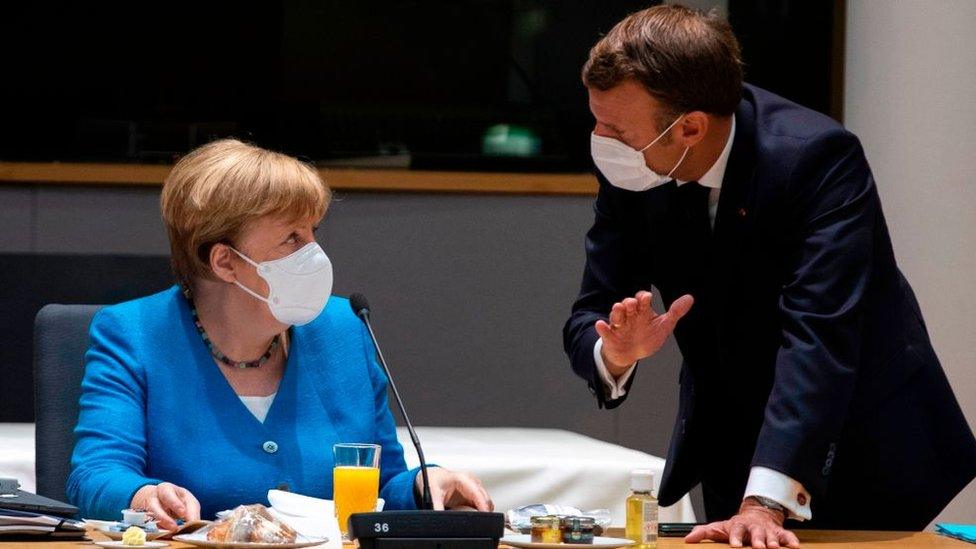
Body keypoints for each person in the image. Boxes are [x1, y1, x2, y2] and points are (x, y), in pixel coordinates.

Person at [562, 5, 976, 547]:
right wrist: (617, 351)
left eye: (615, 127)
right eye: (597, 119)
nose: (600, 139)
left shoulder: (817, 159)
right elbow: (590, 311)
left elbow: (819, 334)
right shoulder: (636, 161)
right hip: (736, 433)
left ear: (688, 128)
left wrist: (765, 502)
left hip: (861, 437)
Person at [68, 139, 492, 528]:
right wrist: (142, 494)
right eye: (292, 238)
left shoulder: (345, 328)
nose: (315, 255)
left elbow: (382, 485)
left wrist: (428, 483)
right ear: (225, 262)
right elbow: (96, 475)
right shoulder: (133, 333)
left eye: (314, 233)